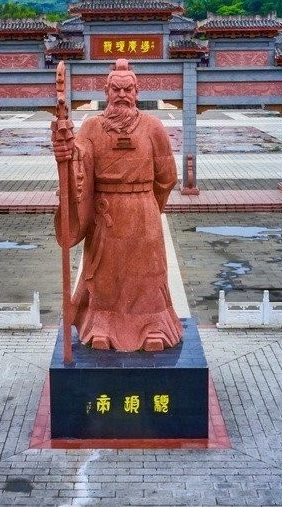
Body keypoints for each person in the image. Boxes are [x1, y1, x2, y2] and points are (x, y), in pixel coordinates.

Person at [53, 59, 182, 352]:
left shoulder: (153, 127)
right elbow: (79, 165)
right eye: (116, 89)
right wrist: (66, 151)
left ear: (137, 92)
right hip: (106, 214)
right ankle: (101, 324)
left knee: (148, 276)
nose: (122, 95)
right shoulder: (91, 127)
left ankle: (153, 326)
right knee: (104, 275)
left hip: (143, 213)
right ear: (106, 92)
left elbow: (167, 177)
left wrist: (149, 206)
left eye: (128, 89)